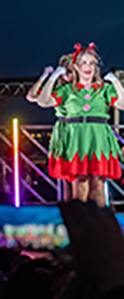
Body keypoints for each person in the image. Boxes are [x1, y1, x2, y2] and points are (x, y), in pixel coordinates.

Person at [37, 43, 124, 207]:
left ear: (96, 67)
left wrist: (115, 82)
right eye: (84, 63)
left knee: (98, 185)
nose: (88, 67)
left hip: (98, 138)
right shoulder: (68, 90)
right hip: (77, 139)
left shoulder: (103, 89)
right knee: (80, 184)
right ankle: (81, 228)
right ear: (76, 67)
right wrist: (52, 78)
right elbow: (43, 101)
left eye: (92, 63)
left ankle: (100, 227)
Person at [25, 54, 73, 200]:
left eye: (71, 71)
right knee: (66, 177)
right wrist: (46, 76)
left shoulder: (78, 88)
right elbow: (31, 96)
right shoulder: (56, 89)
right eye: (66, 70)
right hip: (63, 131)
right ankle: (71, 210)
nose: (68, 74)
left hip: (78, 128)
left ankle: (83, 211)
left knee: (80, 175)